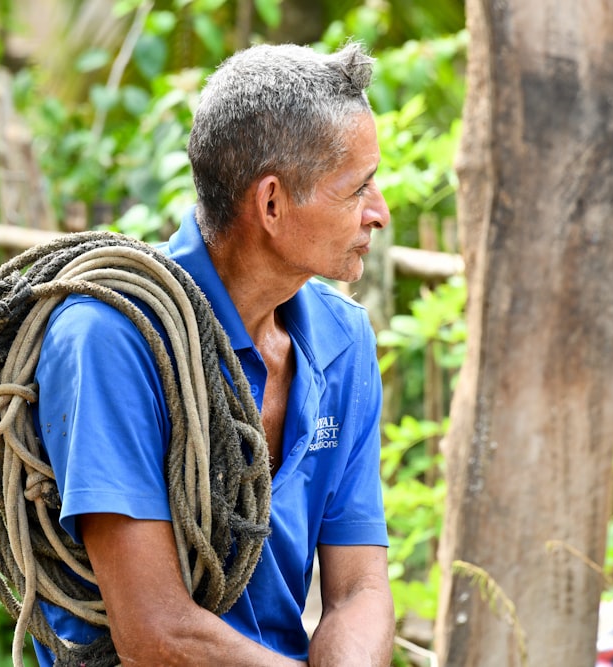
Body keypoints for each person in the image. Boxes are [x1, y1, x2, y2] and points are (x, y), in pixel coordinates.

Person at [32, 41, 395, 666]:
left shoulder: (345, 343)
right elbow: (155, 634)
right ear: (272, 203)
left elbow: (359, 588)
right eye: (357, 189)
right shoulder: (113, 339)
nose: (380, 213)